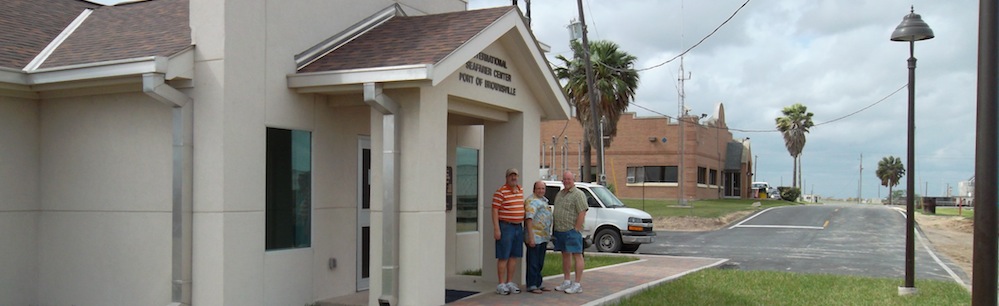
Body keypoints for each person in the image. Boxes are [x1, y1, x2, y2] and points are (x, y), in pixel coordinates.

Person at [552, 171, 588, 294]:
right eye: (565, 179)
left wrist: (576, 229)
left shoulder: (578, 194)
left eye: (569, 179)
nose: (567, 181)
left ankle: (577, 284)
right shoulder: (560, 194)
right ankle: (567, 281)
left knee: (577, 255)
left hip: (572, 231)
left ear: (573, 180)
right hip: (560, 230)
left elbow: (582, 212)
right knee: (565, 255)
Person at [492, 168, 524, 295]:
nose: (513, 178)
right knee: (503, 256)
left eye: (515, 175)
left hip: (518, 227)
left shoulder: (520, 190)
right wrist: (496, 228)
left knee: (513, 256)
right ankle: (501, 284)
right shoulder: (500, 192)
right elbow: (494, 210)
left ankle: (509, 281)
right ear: (507, 177)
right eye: (511, 176)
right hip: (506, 227)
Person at [524, 180, 553, 294]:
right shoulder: (531, 201)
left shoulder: (544, 201)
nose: (541, 191)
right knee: (533, 261)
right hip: (534, 237)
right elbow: (529, 219)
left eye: (543, 189)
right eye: (539, 188)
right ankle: (531, 285)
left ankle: (538, 283)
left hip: (543, 237)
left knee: (540, 261)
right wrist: (531, 237)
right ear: (534, 190)